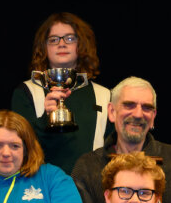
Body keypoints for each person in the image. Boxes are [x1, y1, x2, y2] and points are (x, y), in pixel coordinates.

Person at [9, 12, 111, 175]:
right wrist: (45, 119)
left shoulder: (104, 95)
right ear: (44, 47)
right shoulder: (26, 92)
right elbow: (17, 148)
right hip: (40, 187)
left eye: (70, 38)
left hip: (90, 190)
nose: (62, 44)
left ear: (82, 45)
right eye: (54, 39)